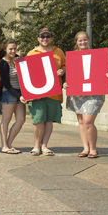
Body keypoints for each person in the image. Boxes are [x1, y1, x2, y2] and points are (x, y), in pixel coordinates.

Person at [64, 31, 108, 158]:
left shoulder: (97, 56)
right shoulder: (72, 57)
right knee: (80, 121)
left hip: (94, 93)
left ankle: (93, 149)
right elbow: (71, 75)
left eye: (85, 40)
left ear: (88, 40)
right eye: (80, 40)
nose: (83, 42)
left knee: (88, 121)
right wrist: (65, 83)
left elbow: (103, 71)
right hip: (77, 93)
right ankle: (85, 148)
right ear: (76, 42)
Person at [26, 28, 66, 156]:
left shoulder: (59, 52)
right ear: (38, 38)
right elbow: (26, 73)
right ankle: (36, 145)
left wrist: (62, 71)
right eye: (42, 37)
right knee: (38, 119)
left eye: (47, 36)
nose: (45, 39)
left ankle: (44, 145)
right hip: (37, 93)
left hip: (54, 92)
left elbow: (65, 66)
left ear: (51, 38)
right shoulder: (31, 53)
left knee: (49, 119)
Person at [0, 39, 25, 154]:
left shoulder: (18, 60)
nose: (13, 51)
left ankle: (8, 143)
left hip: (19, 93)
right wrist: (19, 95)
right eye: (10, 49)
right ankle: (4, 146)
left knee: (21, 120)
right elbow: (6, 83)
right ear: (5, 50)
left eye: (15, 48)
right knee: (6, 120)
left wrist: (20, 63)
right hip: (8, 93)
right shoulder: (3, 63)